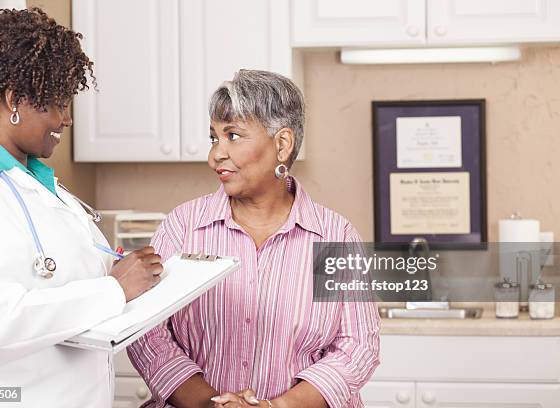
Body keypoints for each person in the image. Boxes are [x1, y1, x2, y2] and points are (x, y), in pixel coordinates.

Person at [128, 69, 380, 408]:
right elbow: (146, 331)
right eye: (214, 138)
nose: (215, 154)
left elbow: (358, 346)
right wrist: (209, 404)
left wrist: (279, 407)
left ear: (282, 144)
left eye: (232, 136)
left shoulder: (337, 236)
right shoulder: (183, 226)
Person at [0, 8, 162, 407]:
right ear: (13, 99)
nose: (66, 119)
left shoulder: (43, 187)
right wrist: (114, 288)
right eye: (58, 104)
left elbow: (65, 278)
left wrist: (125, 273)